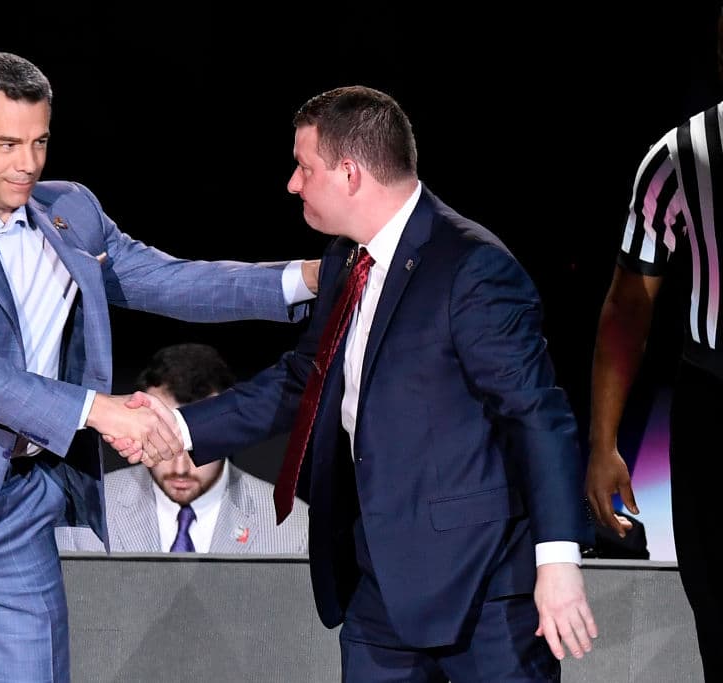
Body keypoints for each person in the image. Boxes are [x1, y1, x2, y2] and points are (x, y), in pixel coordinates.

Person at [0, 51, 316, 683]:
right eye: (6, 144)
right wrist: (97, 411)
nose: (27, 163)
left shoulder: (69, 210)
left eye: (39, 141)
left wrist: (303, 280)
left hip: (18, 504)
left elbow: (167, 279)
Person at [115, 85, 597, 681]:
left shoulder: (472, 267)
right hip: (377, 582)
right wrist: (177, 428)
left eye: (303, 166)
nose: (292, 183)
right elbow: (303, 382)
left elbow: (537, 415)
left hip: (484, 587)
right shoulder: (347, 259)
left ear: (349, 173)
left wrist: (557, 560)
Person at [586, 99, 723, 681]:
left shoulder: (679, 154)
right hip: (714, 411)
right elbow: (627, 309)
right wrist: (603, 443)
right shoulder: (679, 155)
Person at [57, 343, 308, 554]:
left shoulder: (291, 527)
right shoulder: (83, 513)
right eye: (158, 436)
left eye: (197, 441)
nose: (180, 467)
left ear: (228, 430)